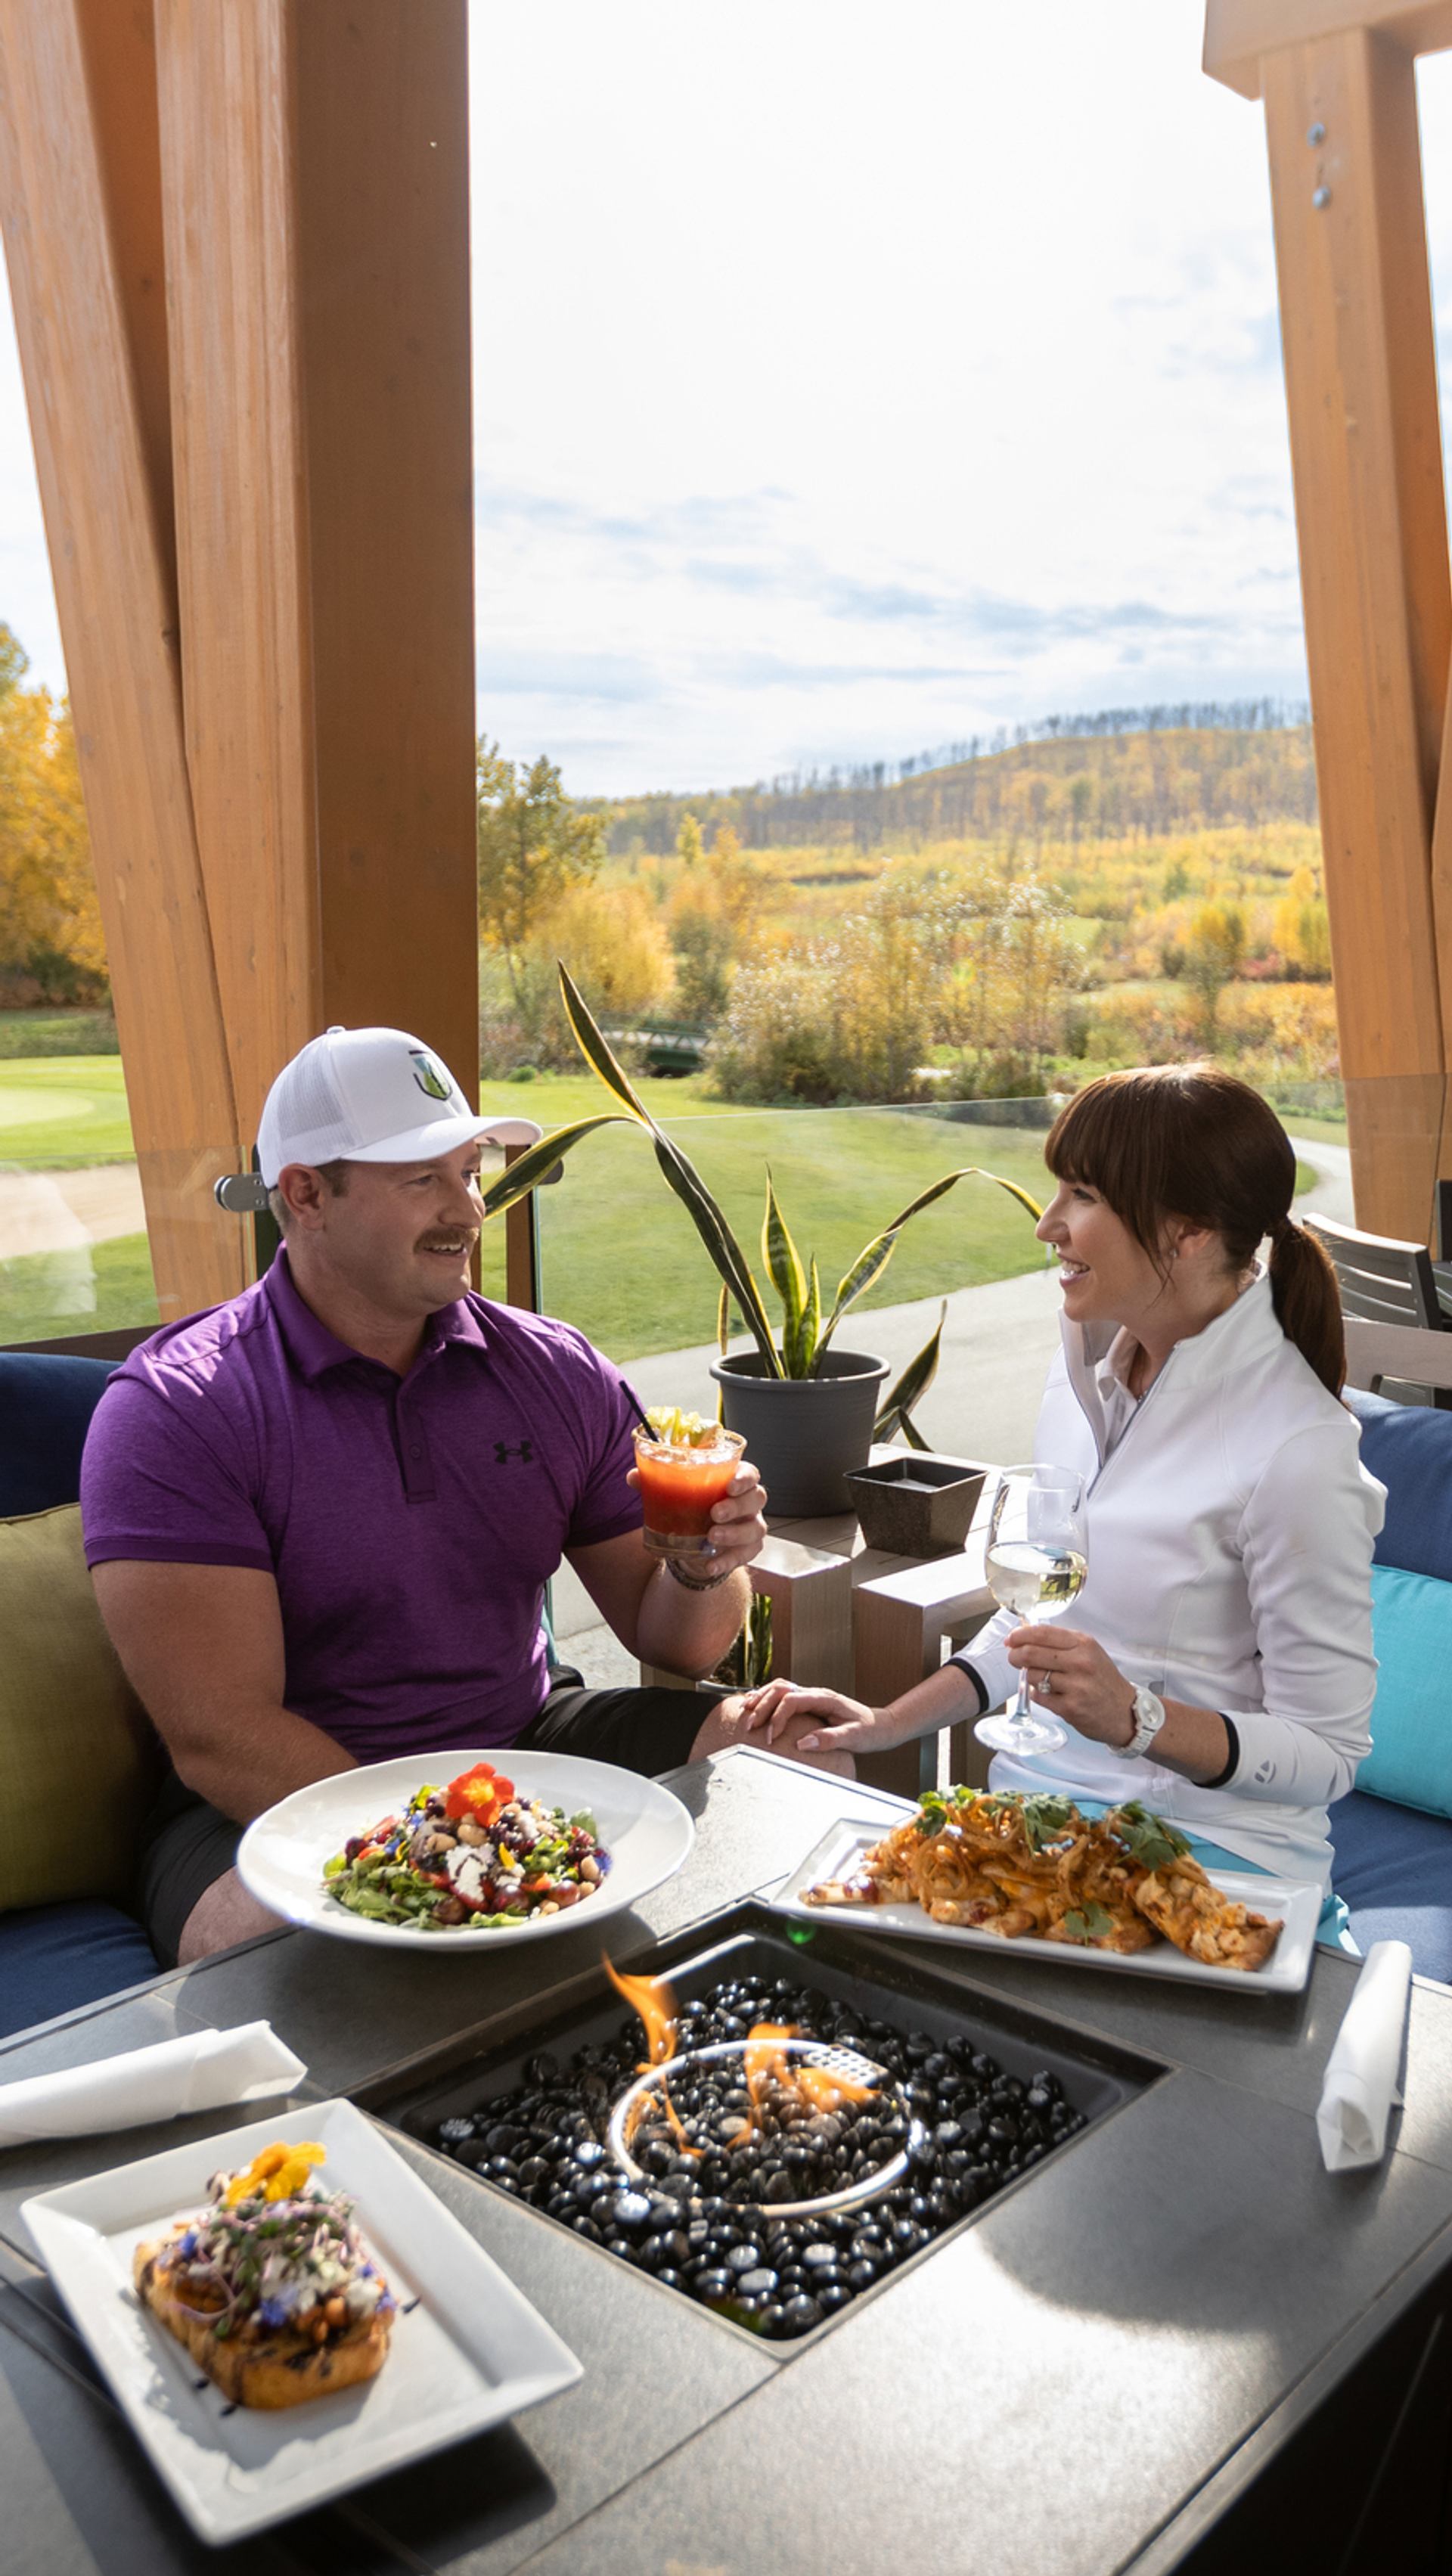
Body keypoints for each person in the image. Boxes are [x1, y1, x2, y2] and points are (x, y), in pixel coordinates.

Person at [81, 1025, 849, 1969]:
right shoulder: (180, 1409)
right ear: (306, 1195)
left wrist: (702, 1565)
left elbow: (678, 1646)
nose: (468, 1210)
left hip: (523, 1737)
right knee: (287, 1931)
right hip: (269, 1801)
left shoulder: (555, 1370)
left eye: (470, 1170)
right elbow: (221, 1739)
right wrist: (466, 1846)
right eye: (421, 1180)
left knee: (802, 1749)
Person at [744, 1064, 1382, 1924]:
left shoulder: (1299, 1450)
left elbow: (1327, 1752)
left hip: (1212, 1859)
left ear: (1188, 1229)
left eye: (1081, 1194)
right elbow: (1035, 1624)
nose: (1048, 1225)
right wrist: (886, 1724)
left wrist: (1137, 1718)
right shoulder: (1086, 1369)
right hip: (1032, 1825)